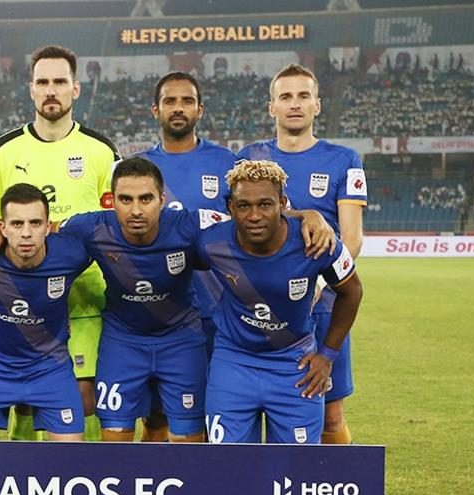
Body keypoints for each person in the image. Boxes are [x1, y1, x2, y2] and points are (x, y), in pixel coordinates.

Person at [0, 158, 334, 443]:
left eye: (146, 199)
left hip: (181, 340)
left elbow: (250, 214)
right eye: (126, 200)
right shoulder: (89, 227)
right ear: (110, 201)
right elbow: (38, 228)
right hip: (123, 341)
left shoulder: (190, 224)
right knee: (115, 435)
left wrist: (308, 215)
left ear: (162, 200)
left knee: (188, 438)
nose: (136, 210)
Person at [0, 45, 120, 441]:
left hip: (84, 299)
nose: (51, 90)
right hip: (22, 302)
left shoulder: (101, 152)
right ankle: (23, 480)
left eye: (60, 81)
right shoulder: (2, 153)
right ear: (31, 89)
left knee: (83, 398)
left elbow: (112, 227)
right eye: (43, 82)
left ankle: (84, 479)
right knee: (24, 401)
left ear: (76, 89)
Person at [238, 64, 367, 445]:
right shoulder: (250, 157)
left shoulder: (344, 159)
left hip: (322, 305)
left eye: (303, 96)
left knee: (330, 413)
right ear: (272, 107)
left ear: (317, 105)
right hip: (259, 305)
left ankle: (334, 481)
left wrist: (317, 286)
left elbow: (352, 238)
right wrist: (303, 215)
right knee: (255, 406)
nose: (295, 104)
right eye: (286, 96)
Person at [197, 160, 363, 444]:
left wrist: (327, 356)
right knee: (227, 462)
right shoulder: (210, 243)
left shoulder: (316, 242)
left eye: (265, 204)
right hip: (233, 362)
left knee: (296, 466)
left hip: (294, 365)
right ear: (231, 207)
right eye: (244, 205)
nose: (254, 215)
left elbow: (353, 292)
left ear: (283, 204)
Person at [134, 71, 236, 441]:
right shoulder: (136, 167)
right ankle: (154, 480)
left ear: (200, 109)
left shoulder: (227, 163)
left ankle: (204, 481)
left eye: (187, 101)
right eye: (170, 101)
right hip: (157, 315)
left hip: (217, 313)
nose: (178, 108)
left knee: (209, 416)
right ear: (155, 110)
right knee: (155, 418)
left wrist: (310, 216)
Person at [0, 184, 91, 441]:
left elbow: (110, 236)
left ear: (48, 226)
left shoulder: (72, 253)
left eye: (35, 223)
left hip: (51, 371)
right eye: (17, 224)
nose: (26, 233)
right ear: (2, 227)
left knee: (73, 456)